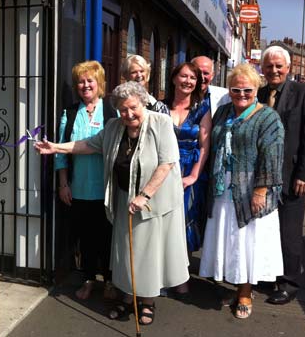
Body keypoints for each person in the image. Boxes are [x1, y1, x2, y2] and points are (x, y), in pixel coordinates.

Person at [35, 81, 189, 325]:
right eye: (123, 109)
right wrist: (55, 147)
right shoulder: (114, 126)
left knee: (148, 253)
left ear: (143, 103)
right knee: (126, 251)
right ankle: (128, 296)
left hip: (153, 202)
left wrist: (145, 195)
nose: (128, 114)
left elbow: (167, 163)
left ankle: (148, 302)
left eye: (133, 108)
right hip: (123, 197)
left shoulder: (161, 123)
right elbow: (87, 145)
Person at [199, 63, 285, 319]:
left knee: (248, 241)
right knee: (229, 239)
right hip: (223, 186)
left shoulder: (268, 117)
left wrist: (261, 190)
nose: (241, 94)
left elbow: (273, 155)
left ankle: (246, 292)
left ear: (256, 89)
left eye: (247, 90)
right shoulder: (223, 111)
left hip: (251, 189)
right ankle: (236, 285)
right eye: (235, 89)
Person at [257, 46, 305, 305]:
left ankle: (289, 282)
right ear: (262, 68)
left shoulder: (304, 93)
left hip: (292, 175)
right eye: (269, 66)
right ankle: (267, 274)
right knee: (265, 229)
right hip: (262, 176)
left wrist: (304, 174)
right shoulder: (259, 93)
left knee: (289, 231)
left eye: (278, 66)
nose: (274, 70)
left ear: (288, 68)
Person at [55, 61, 117, 301]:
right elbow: (61, 150)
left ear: (99, 83)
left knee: (108, 237)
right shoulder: (70, 113)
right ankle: (89, 278)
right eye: (81, 81)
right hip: (79, 187)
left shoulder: (112, 111)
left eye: (90, 80)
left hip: (107, 187)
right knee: (86, 238)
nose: (85, 85)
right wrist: (63, 183)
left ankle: (110, 280)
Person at [163, 62, 211, 298]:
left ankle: (182, 276)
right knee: (162, 224)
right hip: (163, 171)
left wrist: (193, 175)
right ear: (173, 79)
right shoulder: (160, 107)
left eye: (193, 78)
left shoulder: (202, 108)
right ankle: (160, 276)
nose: (188, 81)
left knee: (185, 223)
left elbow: (204, 145)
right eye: (183, 76)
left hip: (189, 172)